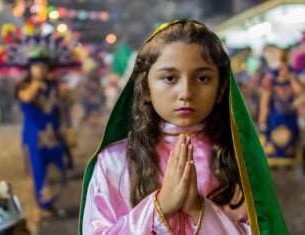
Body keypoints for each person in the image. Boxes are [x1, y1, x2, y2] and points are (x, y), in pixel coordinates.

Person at [79, 19, 287, 234]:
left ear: (222, 88)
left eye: (203, 78)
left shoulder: (239, 161)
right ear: (146, 88)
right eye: (169, 78)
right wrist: (159, 208)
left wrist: (199, 210)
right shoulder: (115, 162)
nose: (186, 92)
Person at [15, 59, 66, 222]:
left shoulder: (52, 86)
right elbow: (27, 98)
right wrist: (36, 84)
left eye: (44, 66)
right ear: (30, 69)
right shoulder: (24, 87)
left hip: (53, 136)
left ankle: (49, 204)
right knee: (37, 173)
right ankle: (40, 207)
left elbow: (58, 108)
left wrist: (64, 129)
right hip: (34, 138)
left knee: (57, 171)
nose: (41, 69)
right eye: (36, 66)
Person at [258, 48, 303, 167]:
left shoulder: (292, 79)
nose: (284, 69)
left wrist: (292, 78)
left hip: (290, 118)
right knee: (274, 148)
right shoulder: (270, 82)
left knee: (290, 148)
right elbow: (265, 102)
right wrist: (263, 120)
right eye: (281, 67)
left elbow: (301, 93)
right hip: (275, 118)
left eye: (285, 66)